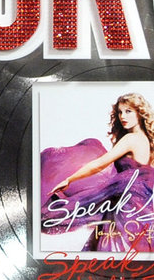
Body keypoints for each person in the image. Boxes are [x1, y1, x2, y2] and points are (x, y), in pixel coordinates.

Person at [42, 92, 154, 252]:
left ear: (140, 112)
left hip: (127, 206)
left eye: (129, 111)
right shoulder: (147, 141)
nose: (123, 116)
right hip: (143, 205)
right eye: (120, 112)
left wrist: (70, 179)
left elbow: (99, 164)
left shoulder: (132, 139)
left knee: (115, 248)